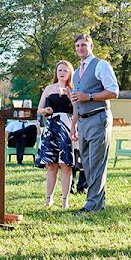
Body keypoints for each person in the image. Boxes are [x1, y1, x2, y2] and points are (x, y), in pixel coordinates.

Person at [69, 33, 119, 213]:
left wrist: (89, 96)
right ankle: (99, 202)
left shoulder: (101, 65)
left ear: (91, 47)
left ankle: (92, 205)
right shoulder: (76, 73)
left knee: (97, 163)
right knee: (87, 164)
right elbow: (77, 101)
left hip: (99, 118)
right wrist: (73, 125)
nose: (80, 48)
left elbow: (113, 92)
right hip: (82, 122)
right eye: (77, 46)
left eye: (83, 45)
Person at [35, 60, 76, 209]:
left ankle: (65, 199)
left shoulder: (73, 88)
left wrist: (69, 94)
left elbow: (77, 109)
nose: (62, 73)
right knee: (51, 165)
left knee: (65, 164)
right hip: (51, 126)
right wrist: (46, 111)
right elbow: (39, 108)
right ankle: (49, 199)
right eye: (60, 70)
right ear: (56, 73)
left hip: (67, 126)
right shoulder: (49, 88)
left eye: (65, 70)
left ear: (70, 73)